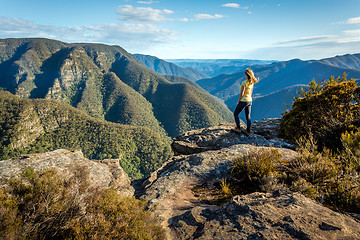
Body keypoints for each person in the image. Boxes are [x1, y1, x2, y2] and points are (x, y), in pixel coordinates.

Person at [233, 68, 259, 135]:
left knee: (235, 114)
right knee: (248, 116)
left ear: (246, 74)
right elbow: (251, 92)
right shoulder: (252, 82)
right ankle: (248, 131)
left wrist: (239, 101)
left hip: (244, 100)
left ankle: (238, 128)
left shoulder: (244, 82)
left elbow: (242, 93)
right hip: (250, 100)